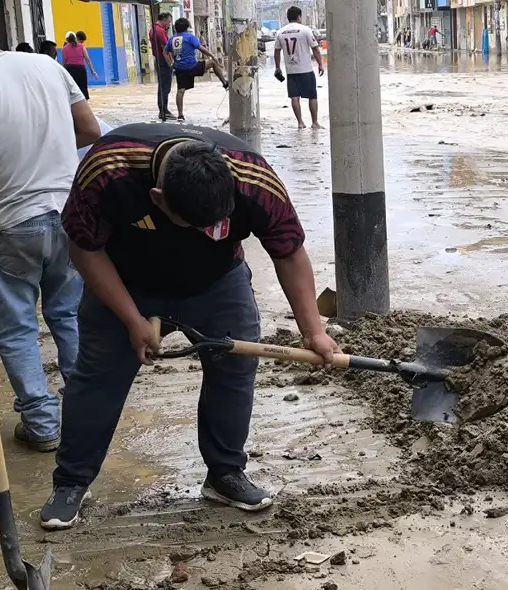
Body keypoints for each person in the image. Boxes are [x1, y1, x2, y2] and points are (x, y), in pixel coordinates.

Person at [40, 123, 340, 530]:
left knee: (234, 373)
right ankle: (71, 482)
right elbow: (83, 248)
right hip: (126, 281)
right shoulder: (108, 168)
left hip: (218, 282)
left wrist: (314, 331)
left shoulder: (253, 178)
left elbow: (288, 253)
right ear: (158, 198)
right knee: (96, 377)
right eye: (194, 225)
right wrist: (131, 319)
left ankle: (225, 473)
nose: (205, 233)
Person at [0, 1, 101, 452]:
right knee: (69, 312)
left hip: (10, 224)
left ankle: (42, 425)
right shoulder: (46, 66)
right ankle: (87, 413)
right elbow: (90, 130)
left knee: (16, 328)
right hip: (68, 215)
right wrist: (48, 152)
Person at [164, 17, 229, 121]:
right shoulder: (190, 37)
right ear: (186, 27)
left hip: (180, 69)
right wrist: (213, 56)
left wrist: (170, 64)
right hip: (193, 67)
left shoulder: (172, 39)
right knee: (212, 63)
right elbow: (201, 48)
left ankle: (180, 115)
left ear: (175, 28)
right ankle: (225, 83)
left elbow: (165, 52)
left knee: (180, 91)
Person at [274, 6, 324, 129]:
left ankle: (300, 123)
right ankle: (315, 122)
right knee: (312, 96)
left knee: (294, 97)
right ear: (299, 17)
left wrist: (277, 67)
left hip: (291, 70)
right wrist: (320, 64)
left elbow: (276, 52)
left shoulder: (280, 32)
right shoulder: (305, 30)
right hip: (306, 69)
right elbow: (315, 49)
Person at [150, 12, 174, 121]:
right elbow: (166, 49)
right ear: (163, 19)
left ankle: (163, 110)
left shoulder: (153, 29)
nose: (169, 24)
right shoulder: (160, 31)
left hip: (158, 60)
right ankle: (164, 110)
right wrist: (171, 63)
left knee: (162, 86)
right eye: (168, 21)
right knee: (165, 87)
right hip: (163, 61)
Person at [62, 31, 98, 99]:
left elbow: (64, 63)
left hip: (70, 70)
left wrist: (63, 74)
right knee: (83, 89)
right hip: (80, 70)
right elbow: (88, 60)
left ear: (67, 39)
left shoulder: (64, 49)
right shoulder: (81, 46)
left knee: (72, 90)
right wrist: (92, 71)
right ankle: (84, 105)